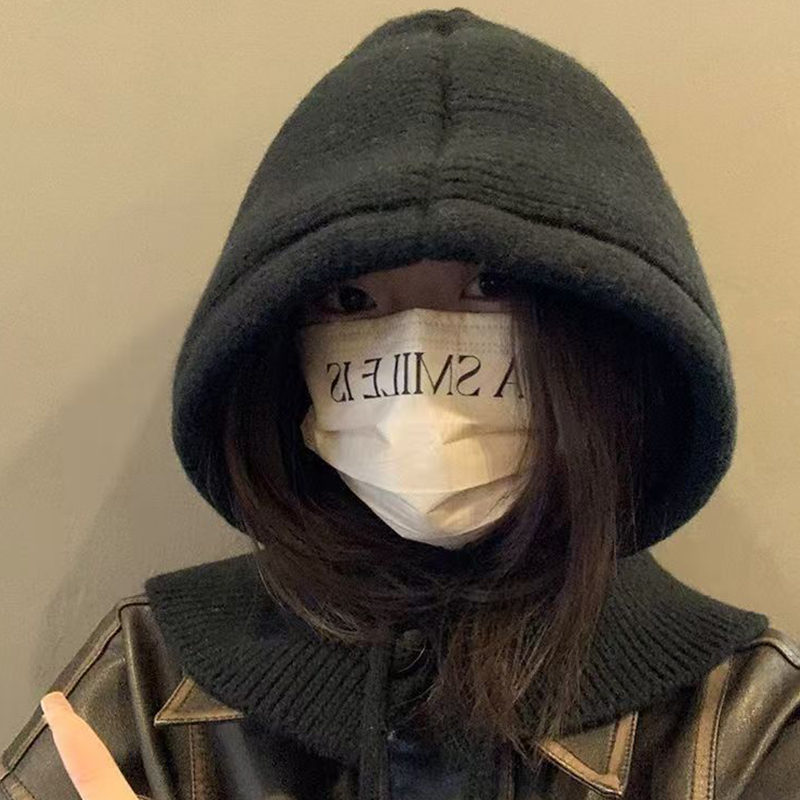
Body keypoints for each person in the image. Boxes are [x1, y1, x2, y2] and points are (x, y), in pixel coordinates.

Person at [3, 7, 799, 800]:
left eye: (491, 284)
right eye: (350, 299)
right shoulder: (148, 680)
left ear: (606, 331)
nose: (418, 367)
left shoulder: (747, 724)